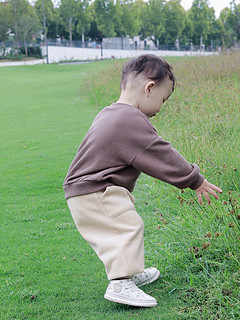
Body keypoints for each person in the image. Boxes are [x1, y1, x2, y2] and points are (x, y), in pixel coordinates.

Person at [63, 54, 222, 308]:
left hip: (88, 189)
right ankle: (120, 283)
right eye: (163, 98)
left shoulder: (110, 112)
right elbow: (160, 153)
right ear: (149, 88)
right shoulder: (131, 119)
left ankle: (131, 271)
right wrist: (194, 179)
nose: (160, 107)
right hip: (94, 190)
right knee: (127, 228)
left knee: (124, 223)